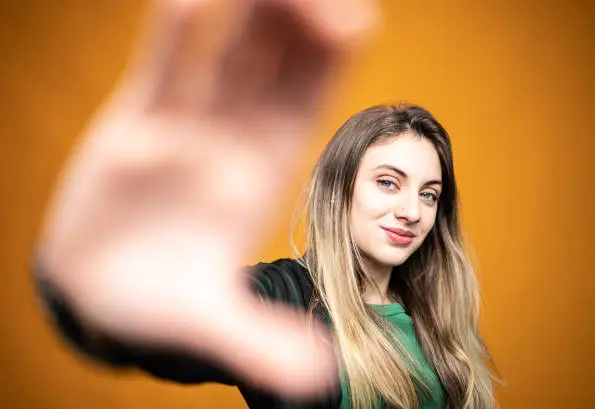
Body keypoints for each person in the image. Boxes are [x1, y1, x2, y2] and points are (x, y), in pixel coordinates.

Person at [33, 0, 497, 408]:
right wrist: (90, 300)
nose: (413, 211)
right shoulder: (284, 297)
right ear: (339, 191)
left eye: (429, 194)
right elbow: (176, 335)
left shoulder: (441, 314)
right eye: (388, 183)